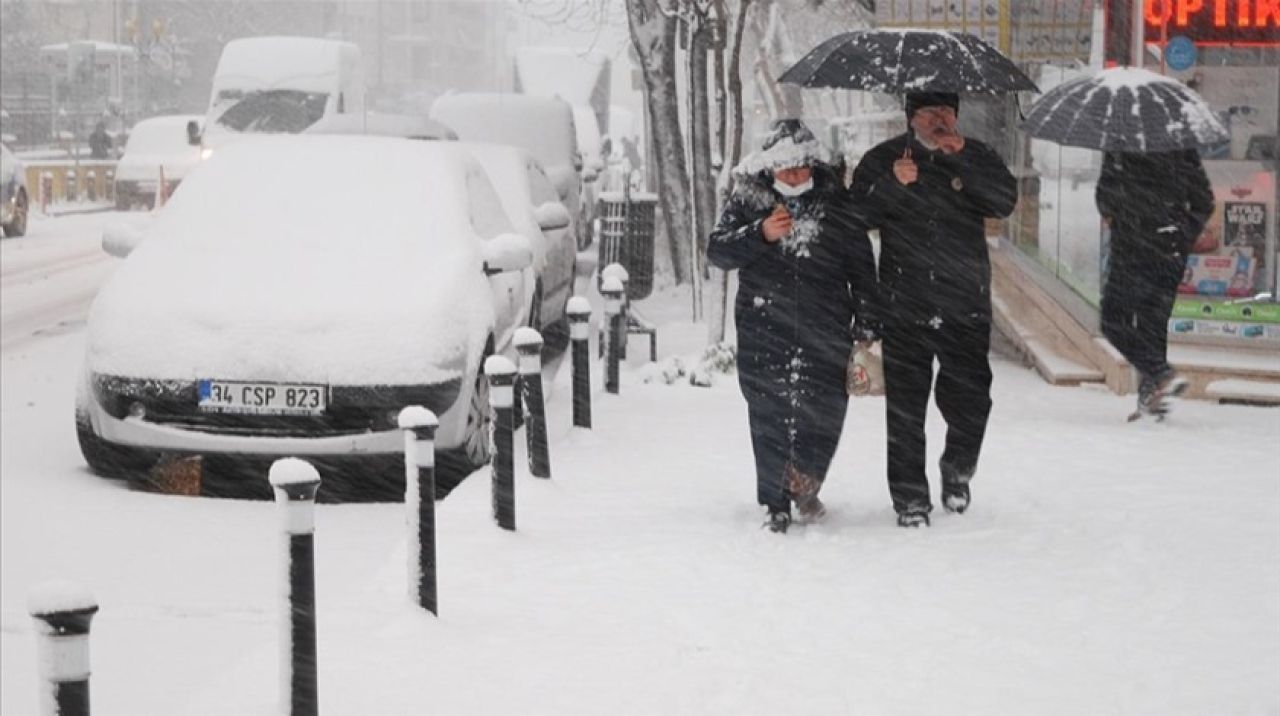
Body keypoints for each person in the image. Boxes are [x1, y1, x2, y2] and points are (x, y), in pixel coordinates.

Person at [848, 92, 1017, 528]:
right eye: (929, 112)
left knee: (972, 401)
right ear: (911, 119)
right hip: (905, 305)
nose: (939, 119)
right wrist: (891, 184)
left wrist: (967, 160)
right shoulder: (884, 159)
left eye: (947, 112)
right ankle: (910, 500)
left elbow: (1003, 202)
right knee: (905, 411)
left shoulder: (975, 154)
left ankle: (958, 470)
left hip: (965, 304)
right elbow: (854, 217)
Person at [707, 118, 879, 534]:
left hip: (826, 326)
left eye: (801, 167)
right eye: (785, 169)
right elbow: (717, 251)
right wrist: (759, 233)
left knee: (825, 411)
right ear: (769, 168)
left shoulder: (836, 203)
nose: (794, 175)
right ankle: (775, 500)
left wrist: (868, 320)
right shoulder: (749, 201)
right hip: (764, 326)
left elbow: (861, 265)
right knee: (768, 414)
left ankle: (806, 480)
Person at [1096, 149, 1213, 417]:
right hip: (1169, 250)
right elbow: (1204, 201)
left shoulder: (1120, 148)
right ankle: (1151, 398)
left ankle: (1159, 374)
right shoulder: (1181, 149)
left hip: (1133, 248)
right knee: (1153, 324)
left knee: (1113, 321)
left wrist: (1119, 211)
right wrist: (1182, 234)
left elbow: (1105, 199)